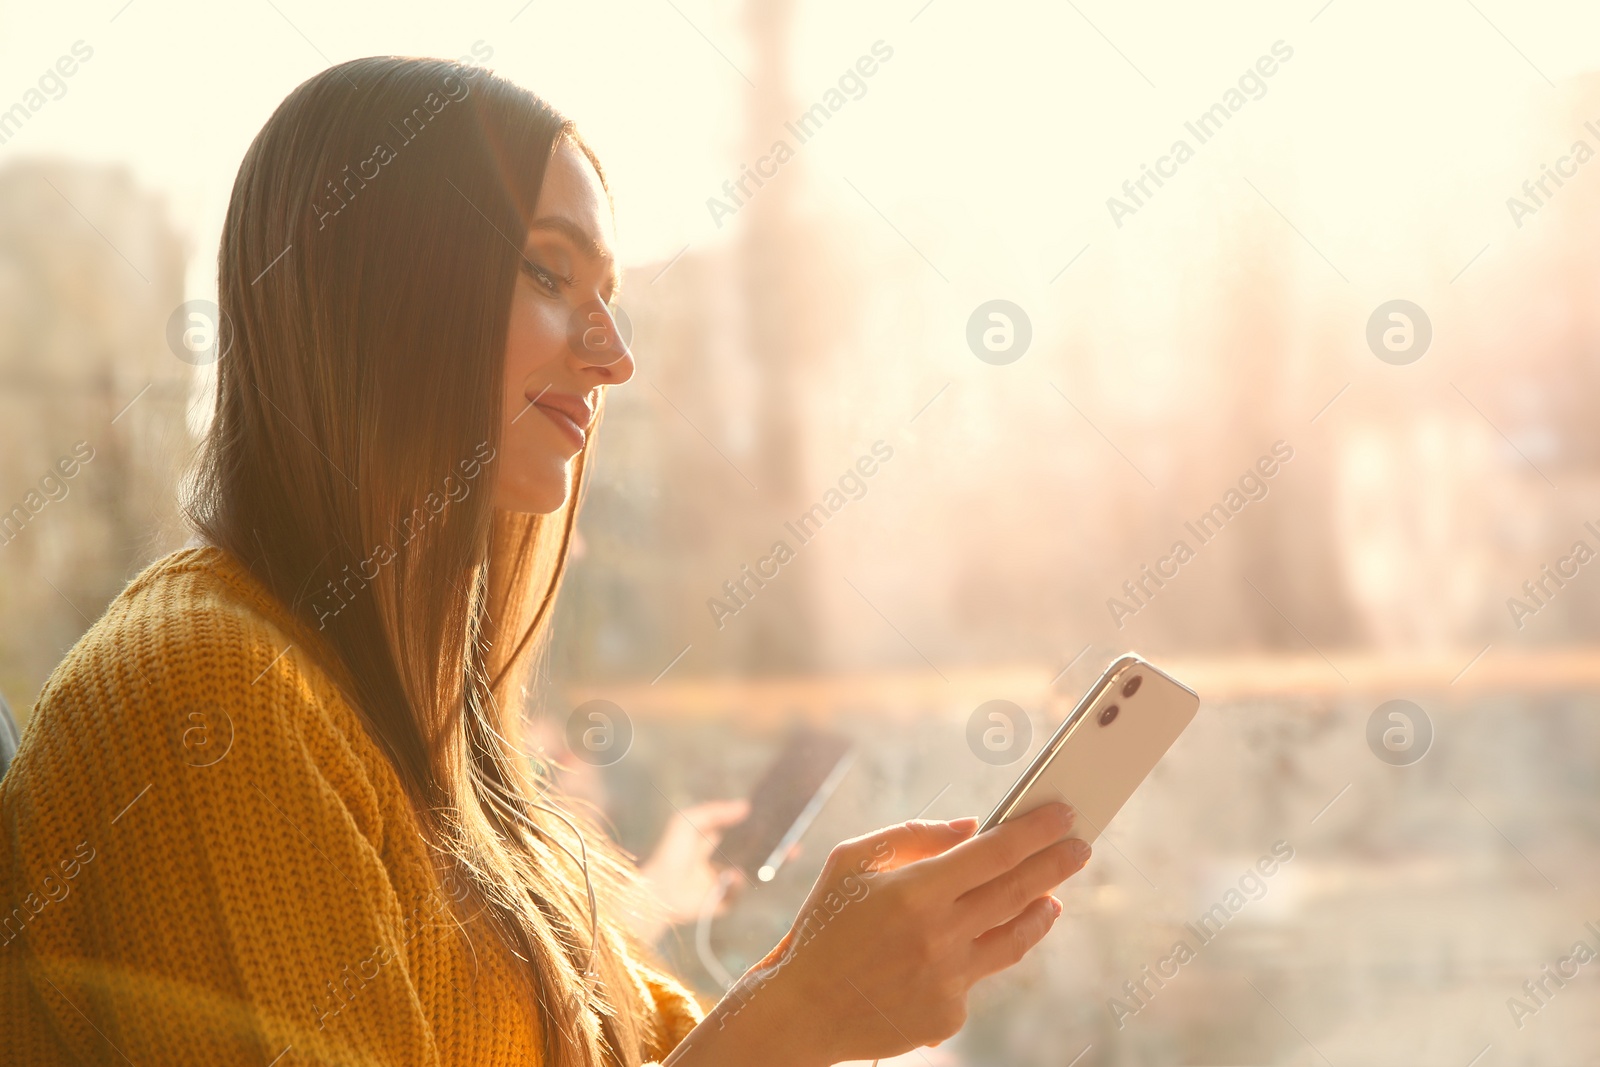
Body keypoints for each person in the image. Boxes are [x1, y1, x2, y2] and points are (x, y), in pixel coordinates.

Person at [0, 56, 1090, 1067]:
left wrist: (826, 979)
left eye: (605, 291)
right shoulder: (208, 698)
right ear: (378, 288)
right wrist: (797, 1019)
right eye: (547, 271)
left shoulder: (444, 753)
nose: (614, 353)